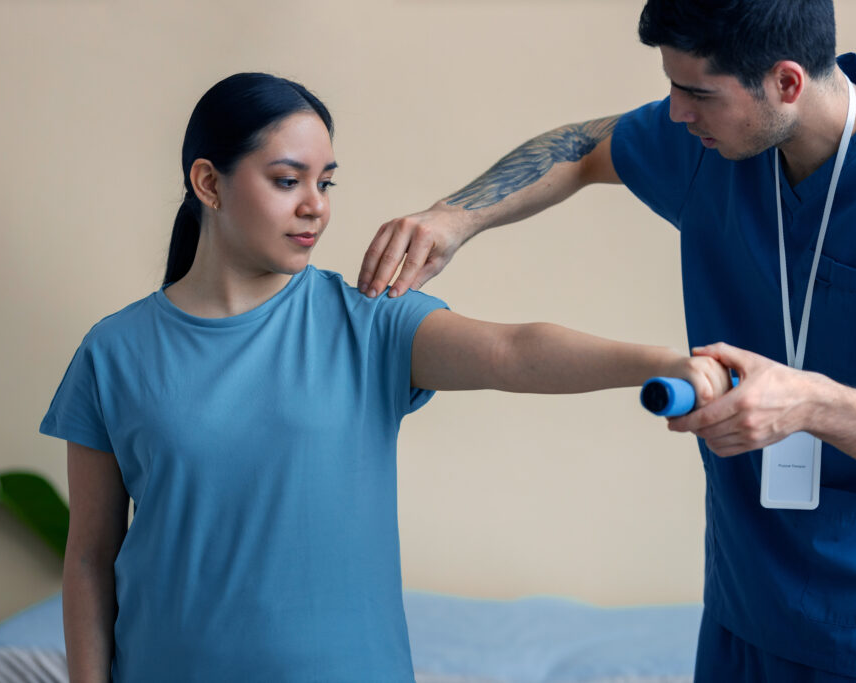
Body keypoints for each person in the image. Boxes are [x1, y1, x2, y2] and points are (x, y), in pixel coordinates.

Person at [40, 72, 730, 683]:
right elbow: (90, 558)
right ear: (209, 183)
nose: (316, 205)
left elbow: (514, 351)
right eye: (288, 180)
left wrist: (662, 362)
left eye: (325, 181)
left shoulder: (367, 322)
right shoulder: (115, 351)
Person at [356, 1, 856, 681]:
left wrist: (812, 404)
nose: (675, 113)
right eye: (672, 87)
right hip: (742, 605)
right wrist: (452, 217)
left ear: (787, 82)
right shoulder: (719, 143)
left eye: (697, 93)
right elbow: (585, 147)